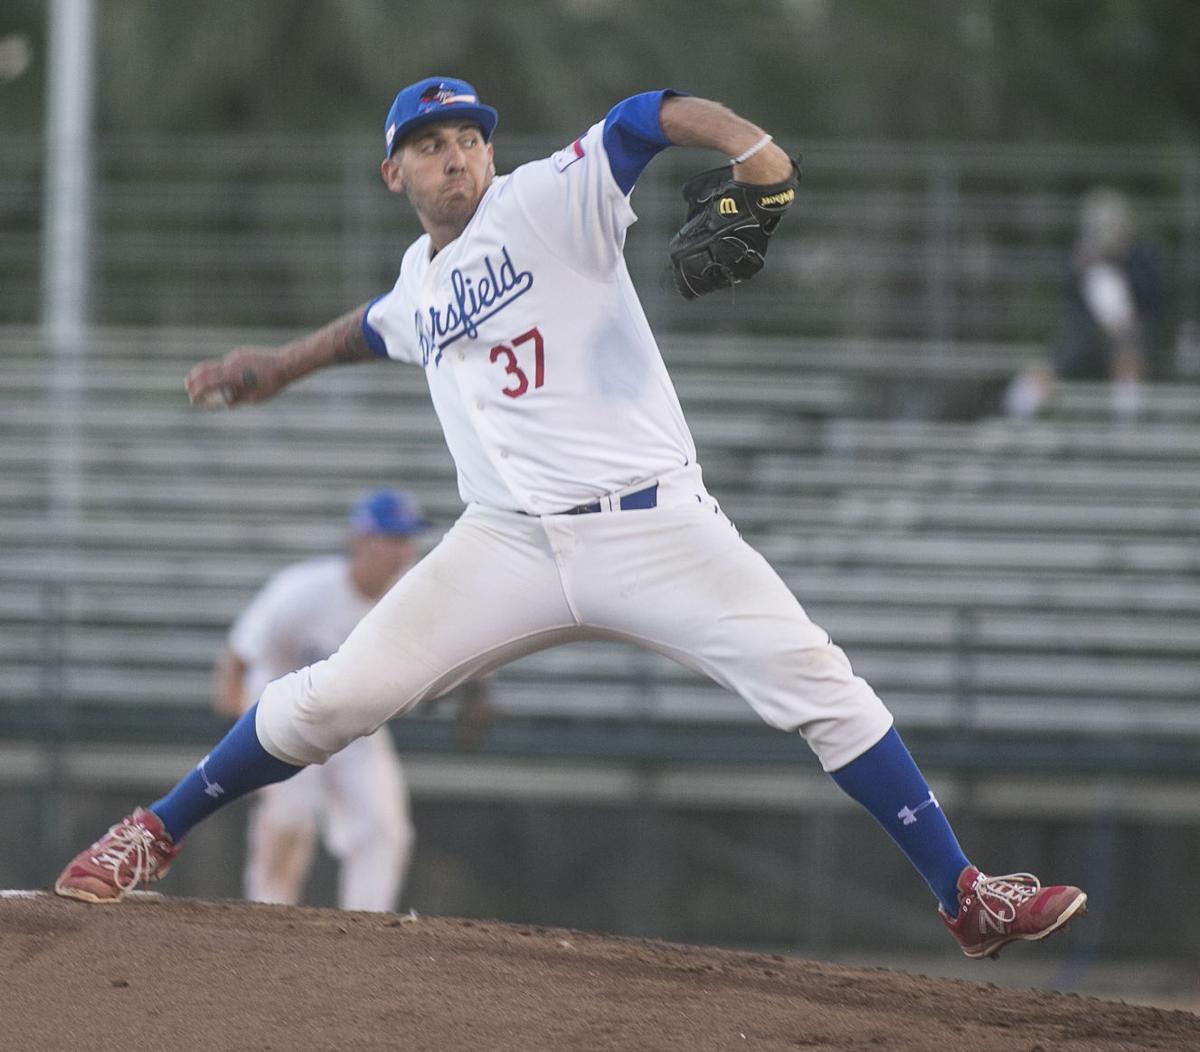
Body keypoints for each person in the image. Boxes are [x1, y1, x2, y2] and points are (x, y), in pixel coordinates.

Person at [56, 76, 1086, 960]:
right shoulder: (419, 283)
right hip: (505, 541)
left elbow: (643, 117)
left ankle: (964, 894)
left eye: (468, 138)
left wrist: (758, 152)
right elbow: (370, 328)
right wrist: (277, 368)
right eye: (429, 144)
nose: (455, 156)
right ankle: (153, 830)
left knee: (820, 682)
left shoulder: (548, 199)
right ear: (393, 174)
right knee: (335, 698)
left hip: (655, 525)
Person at [215, 489, 468, 912]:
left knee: (383, 828)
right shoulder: (302, 591)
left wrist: (468, 686)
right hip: (285, 713)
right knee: (289, 819)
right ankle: (264, 919)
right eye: (392, 538)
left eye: (407, 539)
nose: (402, 550)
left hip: (354, 724)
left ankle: (367, 929)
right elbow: (238, 658)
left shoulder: (408, 598)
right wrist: (240, 735)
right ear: (359, 540)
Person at [1003, 186, 1163, 423]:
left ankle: (1127, 423)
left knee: (1128, 357)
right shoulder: (1080, 256)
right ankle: (1018, 411)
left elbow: (1150, 298)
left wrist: (1122, 264)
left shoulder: (1139, 257)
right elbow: (1070, 296)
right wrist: (1084, 266)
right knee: (1054, 361)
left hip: (1127, 332)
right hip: (1084, 333)